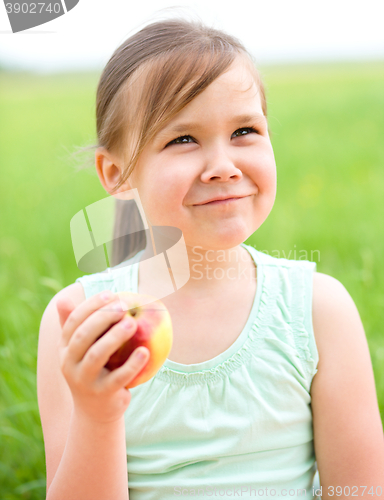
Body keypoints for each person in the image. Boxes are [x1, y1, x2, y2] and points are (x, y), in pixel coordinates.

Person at [37, 17, 384, 500]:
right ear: (117, 174)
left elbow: (359, 491)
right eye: (183, 139)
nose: (224, 166)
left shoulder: (316, 309)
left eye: (244, 131)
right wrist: (97, 413)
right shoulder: (83, 323)